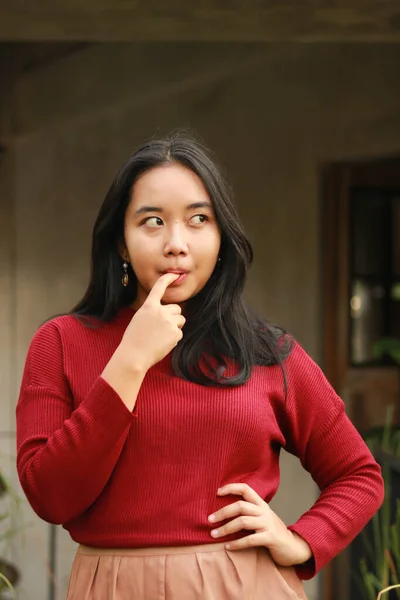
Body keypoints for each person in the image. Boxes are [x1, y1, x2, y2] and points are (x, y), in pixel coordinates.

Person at [16, 132, 384, 600]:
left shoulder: (266, 351)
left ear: (220, 236)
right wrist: (129, 362)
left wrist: (301, 541)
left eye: (198, 220)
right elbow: (51, 497)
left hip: (245, 586)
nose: (176, 243)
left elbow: (359, 475)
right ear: (121, 244)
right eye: (152, 221)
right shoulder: (61, 343)